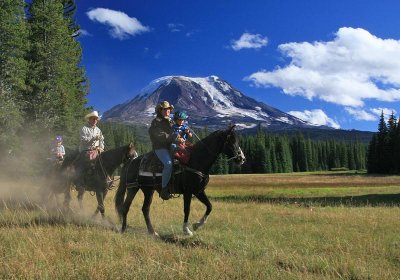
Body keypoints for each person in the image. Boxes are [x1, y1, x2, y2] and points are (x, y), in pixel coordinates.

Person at [148, 101, 183, 200]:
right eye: (165, 109)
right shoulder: (156, 122)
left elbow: (174, 133)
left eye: (169, 109)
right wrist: (175, 138)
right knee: (168, 164)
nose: (167, 111)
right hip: (160, 147)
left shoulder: (171, 121)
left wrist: (180, 137)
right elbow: (161, 135)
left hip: (171, 146)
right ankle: (164, 189)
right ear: (160, 110)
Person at [75, 110, 105, 188]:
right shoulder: (84, 128)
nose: (95, 120)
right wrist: (94, 138)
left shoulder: (98, 130)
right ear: (89, 119)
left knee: (105, 162)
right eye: (93, 119)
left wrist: (101, 148)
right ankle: (79, 181)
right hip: (85, 150)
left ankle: (105, 180)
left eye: (96, 119)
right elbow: (83, 140)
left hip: (97, 150)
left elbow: (102, 140)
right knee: (82, 164)